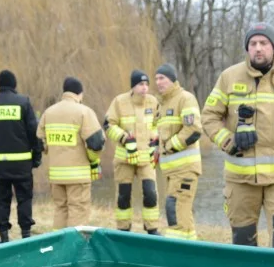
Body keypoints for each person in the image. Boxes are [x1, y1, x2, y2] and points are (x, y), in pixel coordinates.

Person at [201, 22, 274, 248]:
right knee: (243, 243)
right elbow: (209, 116)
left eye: (264, 43)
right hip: (240, 178)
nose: (258, 48)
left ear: (273, 47)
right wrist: (229, 141)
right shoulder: (229, 77)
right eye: (253, 43)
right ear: (247, 49)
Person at [37, 77, 105, 229]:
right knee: (78, 211)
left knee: (60, 210)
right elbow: (96, 143)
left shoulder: (49, 112)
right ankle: (75, 249)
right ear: (80, 94)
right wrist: (93, 161)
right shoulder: (84, 112)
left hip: (56, 175)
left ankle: (60, 248)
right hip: (78, 175)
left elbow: (39, 142)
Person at [0, 70, 40, 241]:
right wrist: (36, 158)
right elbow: (33, 132)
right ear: (14, 85)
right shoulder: (23, 102)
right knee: (24, 198)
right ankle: (26, 234)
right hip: (21, 164)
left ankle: (4, 235)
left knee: (2, 199)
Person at [103, 69, 160, 234]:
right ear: (133, 86)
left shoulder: (153, 102)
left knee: (150, 193)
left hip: (147, 159)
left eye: (147, 84)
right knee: (123, 196)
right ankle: (123, 229)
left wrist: (155, 138)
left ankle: (152, 228)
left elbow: (158, 123)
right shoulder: (119, 102)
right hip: (124, 159)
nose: (145, 88)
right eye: (141, 84)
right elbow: (108, 125)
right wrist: (124, 138)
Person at [152, 63, 203, 240]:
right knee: (181, 211)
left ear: (172, 80)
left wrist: (169, 146)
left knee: (175, 208)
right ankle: (190, 248)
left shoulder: (185, 98)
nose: (158, 82)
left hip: (185, 169)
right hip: (171, 171)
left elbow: (194, 130)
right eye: (156, 78)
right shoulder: (161, 105)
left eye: (162, 78)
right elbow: (161, 134)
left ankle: (176, 248)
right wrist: (157, 147)